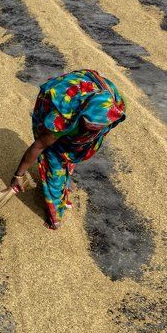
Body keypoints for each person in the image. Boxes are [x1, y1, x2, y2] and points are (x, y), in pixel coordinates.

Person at [10, 69, 126, 229]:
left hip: (81, 92)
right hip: (57, 100)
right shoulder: (60, 121)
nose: (91, 132)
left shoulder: (114, 106)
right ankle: (54, 213)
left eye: (96, 128)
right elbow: (38, 146)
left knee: (70, 152)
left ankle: (66, 178)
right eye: (88, 126)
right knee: (54, 161)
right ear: (81, 117)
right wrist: (18, 174)